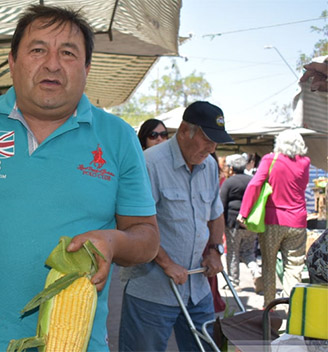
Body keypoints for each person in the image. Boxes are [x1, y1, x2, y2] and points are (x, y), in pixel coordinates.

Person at [0, 5, 160, 351]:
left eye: (68, 53)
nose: (52, 64)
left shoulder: (117, 136)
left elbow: (146, 237)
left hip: (76, 343)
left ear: (87, 68)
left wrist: (112, 243)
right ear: (12, 60)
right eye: (38, 50)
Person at [119, 101, 233, 352]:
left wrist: (214, 249)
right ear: (184, 131)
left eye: (216, 141)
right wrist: (167, 263)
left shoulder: (210, 165)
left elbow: (215, 214)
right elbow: (134, 223)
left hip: (198, 289)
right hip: (152, 290)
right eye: (207, 139)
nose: (212, 147)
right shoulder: (149, 163)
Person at [238, 129, 310, 307]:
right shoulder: (305, 162)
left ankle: (270, 308)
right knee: (294, 268)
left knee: (269, 266)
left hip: (274, 220)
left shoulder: (271, 159)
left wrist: (244, 212)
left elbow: (255, 183)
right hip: (298, 221)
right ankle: (290, 308)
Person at [220, 153, 261, 291]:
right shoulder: (252, 180)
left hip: (233, 224)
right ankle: (256, 272)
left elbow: (221, 203)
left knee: (233, 253)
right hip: (250, 223)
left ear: (231, 168)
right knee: (249, 252)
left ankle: (233, 282)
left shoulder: (229, 182)